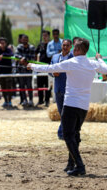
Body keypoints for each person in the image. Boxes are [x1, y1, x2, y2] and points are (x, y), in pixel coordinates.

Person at [28, 38, 107, 176]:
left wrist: (32, 66)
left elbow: (50, 68)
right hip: (83, 106)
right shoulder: (93, 64)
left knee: (67, 135)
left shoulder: (71, 63)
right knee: (75, 135)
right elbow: (105, 69)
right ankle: (72, 163)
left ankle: (80, 165)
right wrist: (99, 59)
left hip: (71, 104)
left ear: (76, 50)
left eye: (73, 48)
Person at [51, 39, 73, 140]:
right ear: (61, 46)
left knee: (66, 113)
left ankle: (62, 132)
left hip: (69, 89)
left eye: (67, 45)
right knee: (61, 112)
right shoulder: (55, 57)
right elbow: (49, 69)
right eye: (64, 45)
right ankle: (65, 132)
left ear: (71, 47)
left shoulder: (74, 58)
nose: (65, 47)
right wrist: (52, 73)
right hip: (58, 89)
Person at [0, 37, 14, 108]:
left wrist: (3, 55)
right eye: (1, 43)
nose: (2, 44)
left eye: (3, 43)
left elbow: (11, 54)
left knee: (9, 87)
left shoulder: (8, 50)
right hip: (1, 71)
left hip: (8, 71)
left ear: (6, 44)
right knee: (3, 87)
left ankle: (10, 101)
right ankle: (5, 101)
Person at [15, 34, 35, 107]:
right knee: (22, 85)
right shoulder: (19, 47)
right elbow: (16, 55)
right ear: (21, 40)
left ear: (28, 40)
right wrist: (22, 58)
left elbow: (33, 58)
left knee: (29, 85)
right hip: (20, 69)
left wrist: (24, 60)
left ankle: (30, 100)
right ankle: (24, 100)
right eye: (23, 39)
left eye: (26, 39)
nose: (25, 40)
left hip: (29, 69)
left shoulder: (32, 47)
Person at [35, 30, 52, 106]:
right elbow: (36, 53)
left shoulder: (51, 44)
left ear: (49, 36)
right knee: (40, 84)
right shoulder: (40, 44)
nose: (44, 37)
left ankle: (47, 100)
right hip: (40, 67)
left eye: (46, 35)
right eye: (43, 35)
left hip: (48, 67)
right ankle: (40, 100)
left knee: (47, 85)